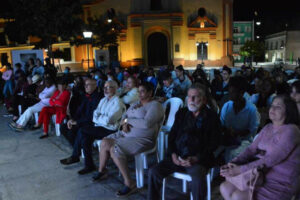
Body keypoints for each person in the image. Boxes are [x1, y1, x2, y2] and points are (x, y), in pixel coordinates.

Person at [147, 83, 222, 200]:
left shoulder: (212, 117)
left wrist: (196, 158)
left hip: (197, 160)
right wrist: (173, 154)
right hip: (177, 156)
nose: (191, 100)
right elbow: (172, 136)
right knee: (154, 172)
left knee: (197, 181)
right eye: (189, 96)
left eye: (195, 97)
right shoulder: (182, 113)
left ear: (204, 100)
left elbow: (213, 143)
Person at [220, 95, 300, 200]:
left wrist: (240, 169)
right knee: (225, 187)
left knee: (238, 196)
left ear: (288, 111)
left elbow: (271, 159)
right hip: (260, 175)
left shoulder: (291, 130)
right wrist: (234, 163)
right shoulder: (268, 127)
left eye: (278, 107)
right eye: (272, 105)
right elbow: (251, 149)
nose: (273, 108)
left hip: (280, 182)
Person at [92, 82, 164, 197]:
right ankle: (102, 171)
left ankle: (130, 183)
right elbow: (123, 118)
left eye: (142, 91)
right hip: (125, 134)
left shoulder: (155, 106)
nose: (139, 94)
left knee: (115, 149)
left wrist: (129, 121)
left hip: (142, 139)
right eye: (138, 91)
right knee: (105, 142)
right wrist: (125, 123)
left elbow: (146, 124)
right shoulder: (135, 104)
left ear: (150, 93)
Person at [60, 80, 125, 175]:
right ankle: (88, 165)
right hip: (99, 126)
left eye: (109, 87)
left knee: (83, 130)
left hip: (110, 130)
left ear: (115, 89)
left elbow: (109, 120)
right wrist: (100, 118)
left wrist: (99, 117)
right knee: (85, 136)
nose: (106, 90)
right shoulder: (103, 100)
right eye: (105, 87)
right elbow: (95, 115)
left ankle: (76, 156)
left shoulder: (118, 102)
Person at [220, 76, 259, 163]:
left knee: (232, 154)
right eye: (229, 91)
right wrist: (227, 131)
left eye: (233, 92)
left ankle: (230, 174)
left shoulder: (251, 109)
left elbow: (252, 130)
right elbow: (221, 124)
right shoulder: (227, 106)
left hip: (244, 141)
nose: (230, 94)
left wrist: (237, 133)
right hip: (227, 139)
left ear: (241, 93)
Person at [60, 78, 101, 146]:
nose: (85, 87)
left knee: (72, 131)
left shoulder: (97, 98)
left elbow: (92, 116)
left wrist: (77, 122)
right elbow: (79, 110)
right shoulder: (85, 96)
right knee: (63, 127)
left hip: (91, 122)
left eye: (88, 85)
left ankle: (79, 148)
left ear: (95, 86)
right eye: (85, 85)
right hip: (82, 120)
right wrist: (73, 119)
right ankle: (77, 146)